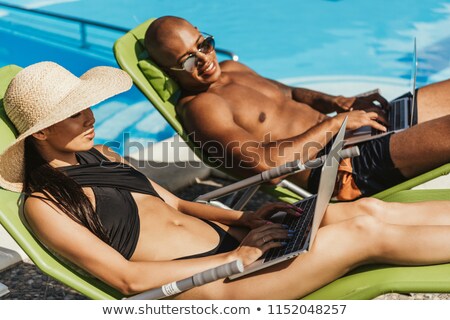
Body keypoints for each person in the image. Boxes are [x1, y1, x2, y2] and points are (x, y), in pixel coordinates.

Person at [2, 61, 450, 300]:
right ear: (40, 132)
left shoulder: (99, 154)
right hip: (214, 286)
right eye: (75, 112)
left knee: (361, 209)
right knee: (361, 234)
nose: (91, 116)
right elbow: (128, 280)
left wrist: (247, 217)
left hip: (239, 245)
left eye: (87, 105)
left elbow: (174, 205)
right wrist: (238, 259)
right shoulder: (45, 205)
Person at [144, 16, 450, 200]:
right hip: (344, 167)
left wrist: (335, 102)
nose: (203, 59)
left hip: (357, 130)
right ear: (167, 69)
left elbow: (289, 94)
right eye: (187, 60)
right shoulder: (202, 108)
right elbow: (266, 168)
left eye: (203, 44)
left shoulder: (231, 69)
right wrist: (334, 123)